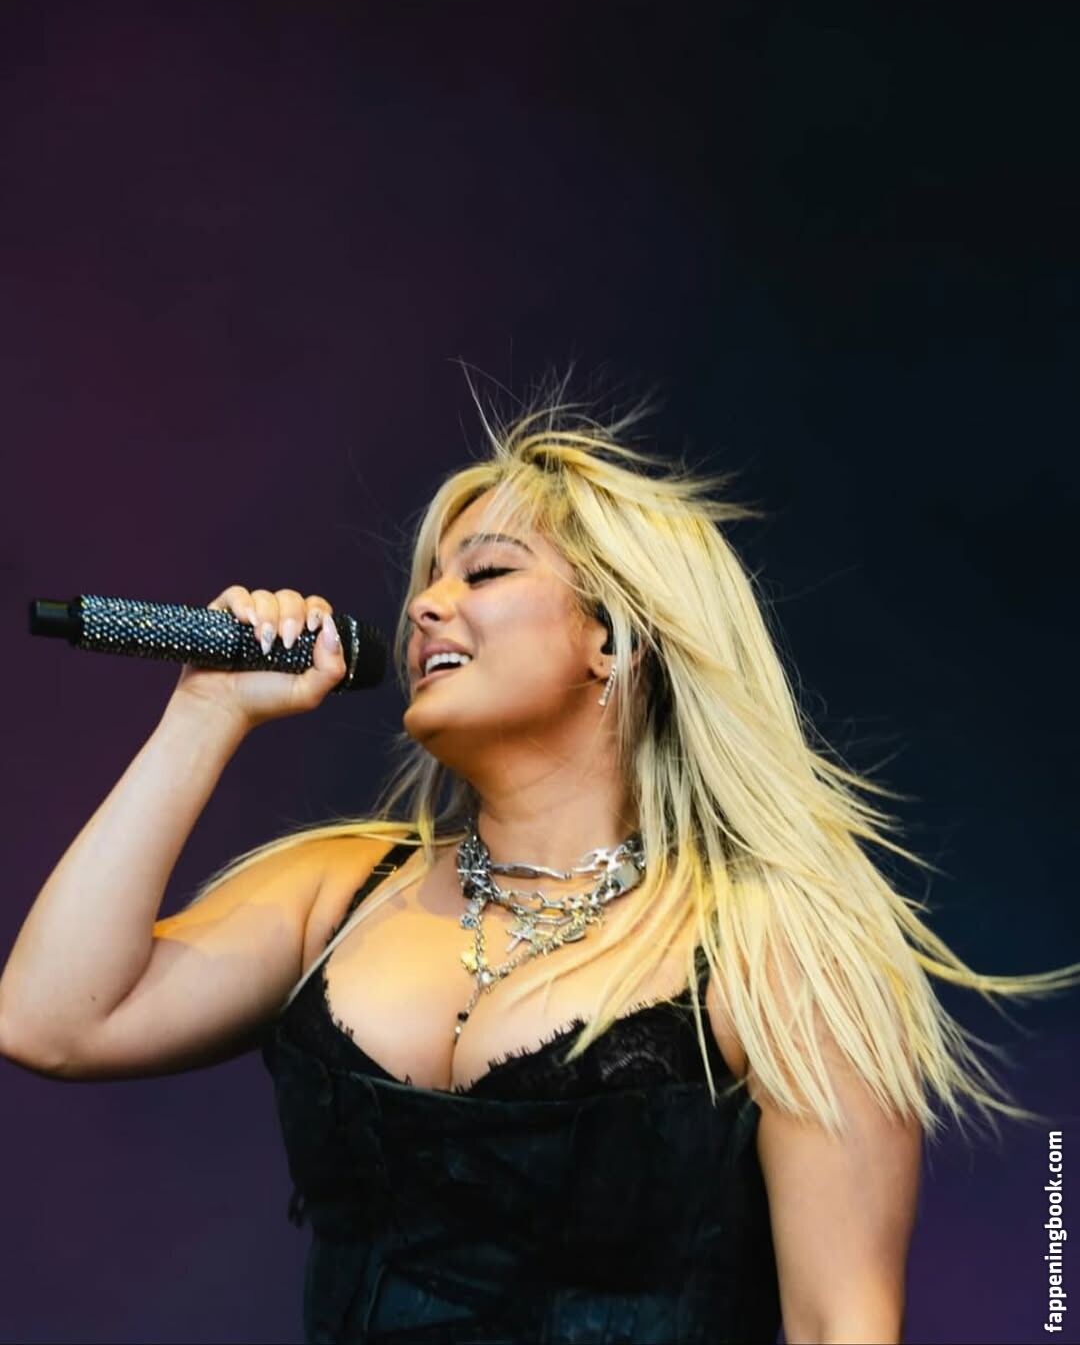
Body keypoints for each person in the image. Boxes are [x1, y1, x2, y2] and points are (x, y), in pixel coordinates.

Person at [1, 392, 1076, 1345]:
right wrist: (206, 710)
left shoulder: (767, 949)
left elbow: (843, 1323)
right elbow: (48, 1020)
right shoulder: (336, 889)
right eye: (428, 579)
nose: (425, 605)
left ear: (614, 637)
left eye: (486, 570)